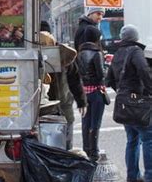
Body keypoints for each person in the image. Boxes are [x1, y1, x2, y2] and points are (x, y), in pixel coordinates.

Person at [106, 25, 152, 182]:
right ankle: (150, 177)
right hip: (137, 101)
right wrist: (148, 91)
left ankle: (132, 176)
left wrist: (122, 91)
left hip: (123, 102)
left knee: (132, 139)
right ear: (135, 37)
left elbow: (109, 79)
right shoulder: (136, 51)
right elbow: (143, 71)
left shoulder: (118, 53)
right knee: (148, 138)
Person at [39, 22, 86, 150]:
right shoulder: (33, 54)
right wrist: (81, 101)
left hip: (62, 107)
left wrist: (81, 101)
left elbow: (75, 79)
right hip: (45, 109)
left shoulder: (65, 55)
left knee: (65, 144)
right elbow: (75, 80)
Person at [77, 26, 106, 161]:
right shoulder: (96, 53)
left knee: (85, 122)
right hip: (96, 91)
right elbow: (101, 74)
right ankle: (94, 151)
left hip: (84, 92)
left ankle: (86, 149)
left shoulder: (79, 53)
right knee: (96, 122)